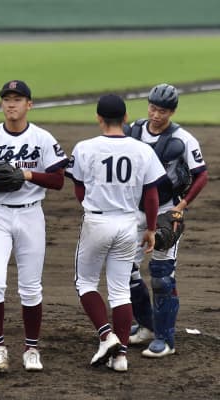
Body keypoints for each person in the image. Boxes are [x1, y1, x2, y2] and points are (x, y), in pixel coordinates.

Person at [0, 80, 69, 373]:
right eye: (7, 99)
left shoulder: (42, 138)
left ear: (29, 105)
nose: (11, 104)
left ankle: (31, 349)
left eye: (17, 99)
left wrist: (27, 174)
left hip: (30, 216)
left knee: (31, 289)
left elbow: (58, 180)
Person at [65, 94, 166, 372]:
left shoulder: (85, 148)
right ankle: (120, 357)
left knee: (85, 282)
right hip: (128, 224)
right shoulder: (142, 150)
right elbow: (152, 196)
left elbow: (79, 188)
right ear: (125, 118)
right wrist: (151, 228)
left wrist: (92, 208)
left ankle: (106, 335)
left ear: (98, 118)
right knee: (120, 291)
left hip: (97, 222)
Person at [126, 83, 208, 357]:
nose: (155, 114)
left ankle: (166, 339)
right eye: (152, 107)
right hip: (134, 211)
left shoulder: (183, 139)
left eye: (162, 110)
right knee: (126, 271)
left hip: (165, 210)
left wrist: (181, 206)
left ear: (171, 111)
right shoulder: (133, 131)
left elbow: (201, 175)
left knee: (161, 277)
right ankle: (146, 326)